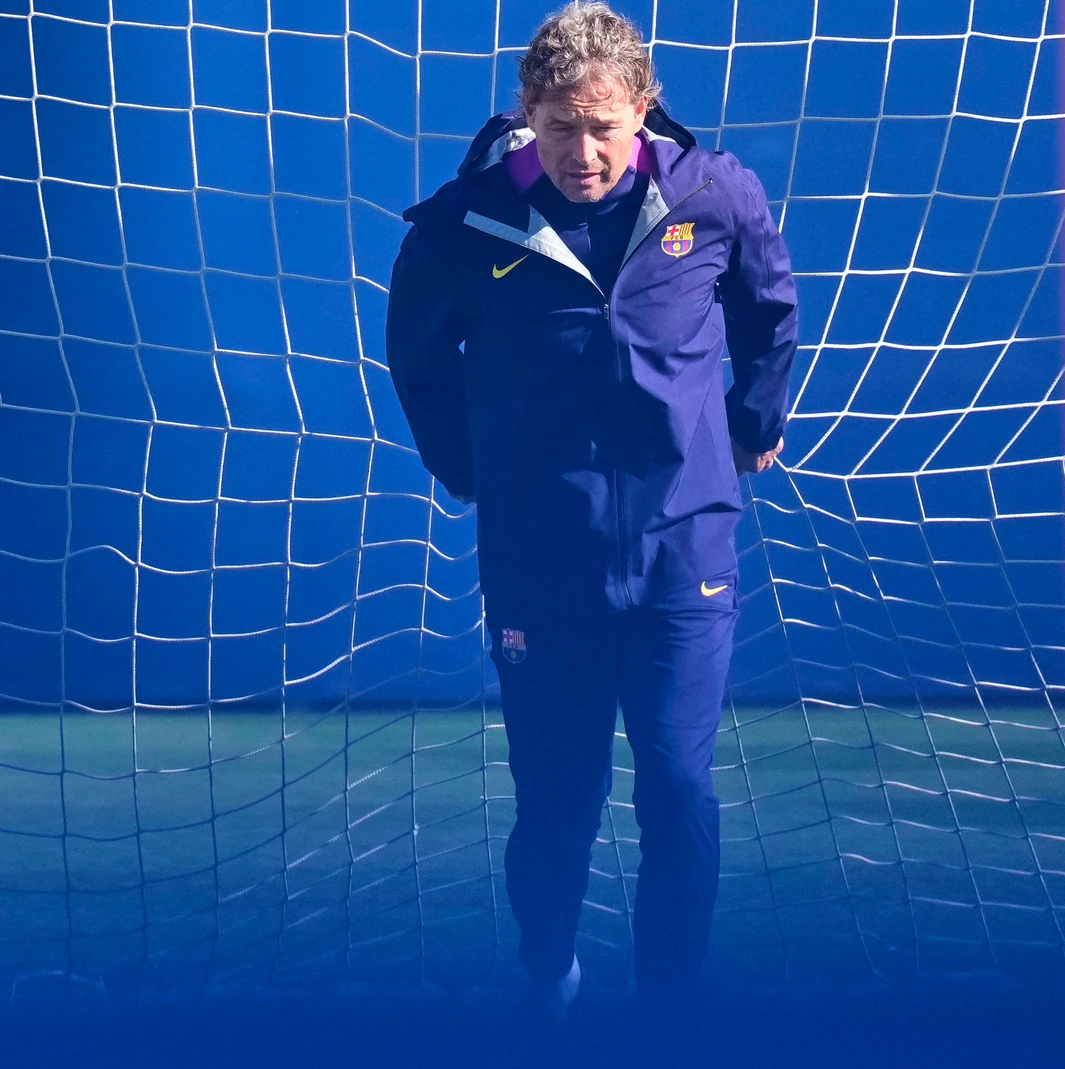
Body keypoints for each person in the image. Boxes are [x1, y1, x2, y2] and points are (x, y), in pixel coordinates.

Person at [384, 1, 796, 1018]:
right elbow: (417, 358)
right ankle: (548, 970)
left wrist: (752, 419)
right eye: (562, 127)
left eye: (603, 126)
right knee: (559, 807)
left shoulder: (714, 193)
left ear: (643, 111)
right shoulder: (466, 221)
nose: (584, 150)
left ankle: (670, 1001)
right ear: (529, 113)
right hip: (541, 559)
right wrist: (467, 469)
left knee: (677, 789)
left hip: (682, 548)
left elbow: (769, 310)